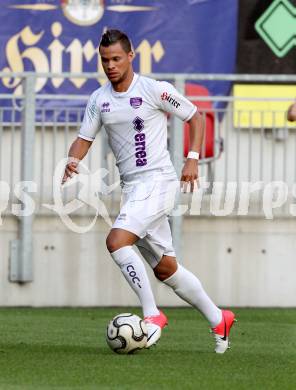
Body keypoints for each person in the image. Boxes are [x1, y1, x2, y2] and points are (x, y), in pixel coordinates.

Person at [63, 29, 235, 353]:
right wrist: (73, 158)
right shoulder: (99, 100)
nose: (110, 65)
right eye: (105, 60)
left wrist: (192, 160)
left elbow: (196, 118)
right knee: (166, 269)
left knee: (116, 241)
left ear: (130, 56)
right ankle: (218, 318)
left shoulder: (155, 90)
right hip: (133, 189)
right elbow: (84, 137)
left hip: (159, 182)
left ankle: (152, 315)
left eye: (116, 58)